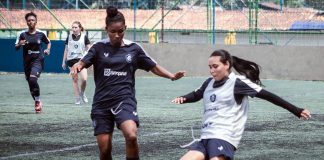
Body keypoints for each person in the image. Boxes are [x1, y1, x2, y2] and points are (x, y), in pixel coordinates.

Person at [71, 6, 185, 160]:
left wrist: (171, 76)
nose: (117, 35)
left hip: (124, 100)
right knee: (105, 150)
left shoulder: (134, 49)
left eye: (121, 31)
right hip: (102, 103)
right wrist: (78, 66)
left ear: (125, 28)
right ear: (106, 29)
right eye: (113, 32)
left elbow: (153, 67)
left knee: (131, 135)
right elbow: (83, 61)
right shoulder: (98, 47)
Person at [172, 49, 311, 160]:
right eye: (210, 67)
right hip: (205, 137)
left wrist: (296, 110)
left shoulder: (237, 83)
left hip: (224, 136)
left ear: (226, 65)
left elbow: (269, 96)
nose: (212, 70)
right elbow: (197, 94)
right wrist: (183, 98)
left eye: (215, 66)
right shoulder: (208, 82)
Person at [15, 12, 51, 114]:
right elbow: (16, 48)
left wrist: (48, 50)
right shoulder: (22, 34)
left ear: (36, 22)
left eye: (33, 20)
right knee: (31, 84)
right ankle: (37, 101)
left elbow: (48, 42)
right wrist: (20, 44)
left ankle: (37, 101)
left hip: (38, 60)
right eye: (29, 20)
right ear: (26, 22)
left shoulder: (41, 33)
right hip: (27, 62)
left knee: (32, 79)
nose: (31, 22)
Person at [62, 21, 91, 105]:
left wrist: (88, 58)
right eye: (73, 27)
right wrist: (63, 61)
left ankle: (82, 93)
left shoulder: (84, 37)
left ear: (80, 28)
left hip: (81, 61)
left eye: (76, 27)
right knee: (75, 80)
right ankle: (77, 98)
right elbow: (66, 50)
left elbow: (89, 49)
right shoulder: (69, 37)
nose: (74, 29)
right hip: (71, 60)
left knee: (84, 79)